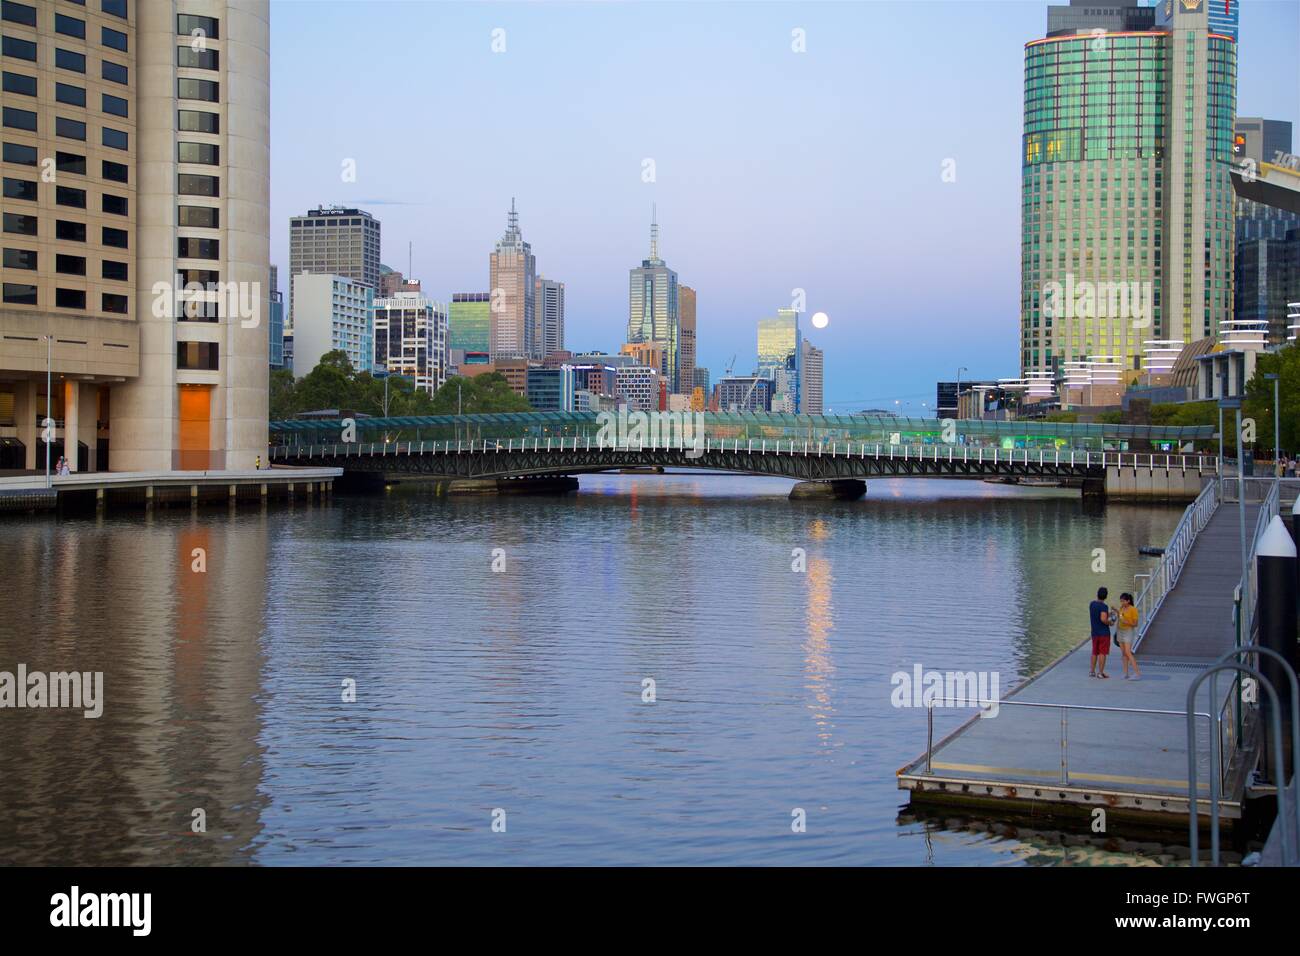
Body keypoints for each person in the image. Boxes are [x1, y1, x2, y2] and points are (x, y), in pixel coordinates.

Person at [1115, 592, 1141, 680]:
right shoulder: (1122, 608)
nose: (1122, 603)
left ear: (1128, 601)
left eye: (1123, 601)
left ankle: (1137, 673)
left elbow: (1135, 623)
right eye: (1121, 601)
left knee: (1128, 652)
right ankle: (1126, 673)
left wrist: (1127, 622)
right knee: (1123, 653)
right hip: (1120, 631)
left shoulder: (1133, 609)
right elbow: (1120, 617)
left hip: (1128, 631)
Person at [1089, 587, 1112, 679]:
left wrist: (1108, 613)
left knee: (1094, 652)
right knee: (1102, 652)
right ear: (1106, 596)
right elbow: (1103, 619)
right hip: (1103, 633)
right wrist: (1110, 622)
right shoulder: (1104, 606)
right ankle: (1100, 673)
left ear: (1097, 594)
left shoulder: (1092, 604)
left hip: (1094, 632)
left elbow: (1098, 614)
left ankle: (1092, 671)